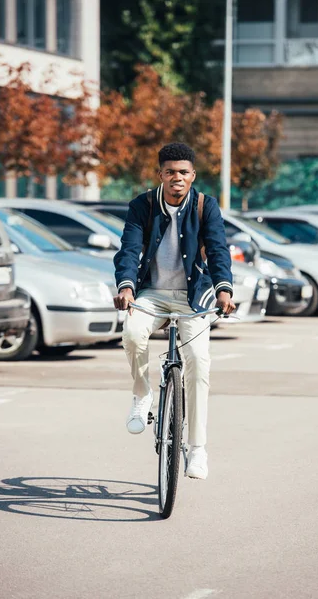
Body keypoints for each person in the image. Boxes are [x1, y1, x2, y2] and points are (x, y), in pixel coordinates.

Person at [113, 142, 235, 480]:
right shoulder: (143, 205)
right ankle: (143, 394)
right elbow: (129, 249)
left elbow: (219, 249)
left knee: (198, 363)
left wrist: (224, 288)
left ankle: (197, 449)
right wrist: (126, 285)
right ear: (161, 174)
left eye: (183, 172)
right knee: (133, 334)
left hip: (191, 296)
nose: (177, 178)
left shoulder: (204, 206)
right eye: (170, 172)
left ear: (193, 175)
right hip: (151, 292)